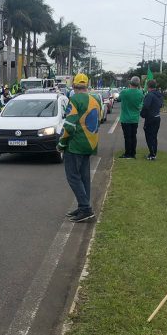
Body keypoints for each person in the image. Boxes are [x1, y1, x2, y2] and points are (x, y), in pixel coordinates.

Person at [57, 73, 101, 223]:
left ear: (74, 86)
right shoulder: (95, 100)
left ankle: (86, 208)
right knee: (84, 178)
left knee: (73, 177)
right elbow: (97, 120)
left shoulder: (74, 99)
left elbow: (69, 125)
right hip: (90, 143)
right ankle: (84, 206)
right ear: (87, 85)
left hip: (75, 145)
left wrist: (61, 143)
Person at [118, 76, 143, 159]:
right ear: (138, 84)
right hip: (135, 118)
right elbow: (141, 104)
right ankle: (133, 153)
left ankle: (128, 154)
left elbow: (118, 99)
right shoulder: (140, 93)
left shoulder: (124, 92)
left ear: (130, 83)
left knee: (127, 137)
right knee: (133, 136)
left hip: (125, 118)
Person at [141, 79, 163, 161]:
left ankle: (152, 154)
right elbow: (161, 105)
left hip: (150, 118)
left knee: (149, 136)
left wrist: (142, 114)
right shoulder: (159, 95)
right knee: (154, 136)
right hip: (157, 117)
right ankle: (153, 153)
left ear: (148, 86)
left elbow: (146, 106)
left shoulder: (149, 95)